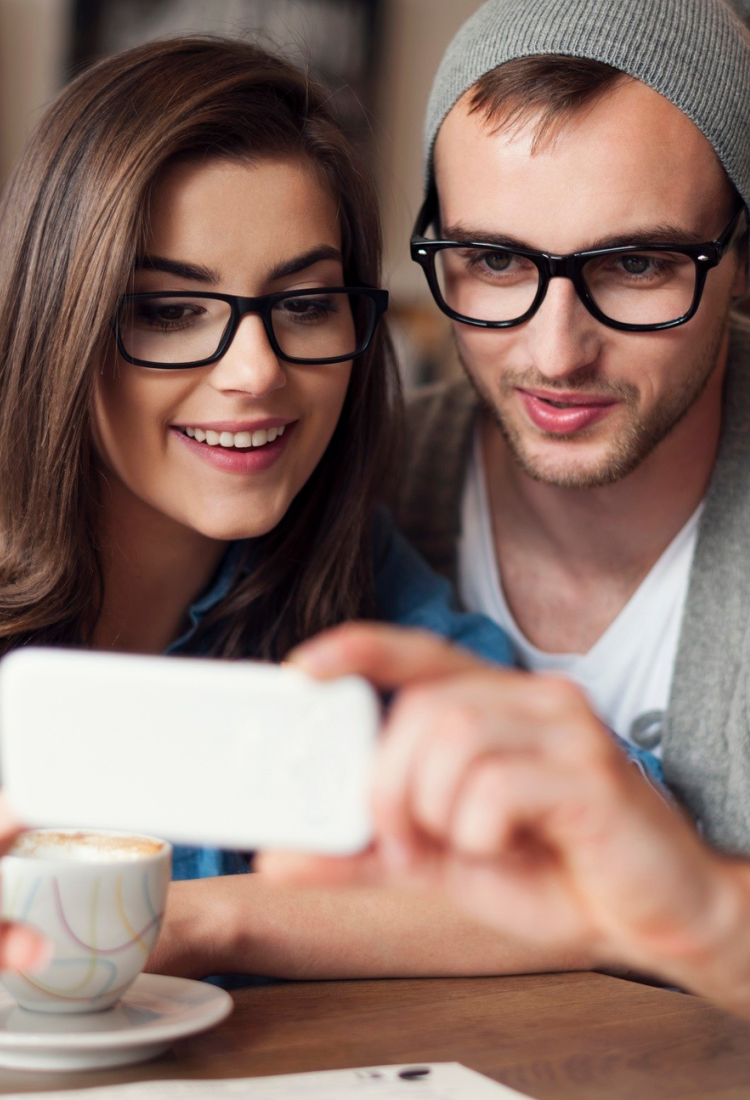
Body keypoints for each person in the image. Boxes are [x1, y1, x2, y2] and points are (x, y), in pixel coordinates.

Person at [0, 33, 562, 982]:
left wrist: (207, 922)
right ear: (63, 323)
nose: (256, 373)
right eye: (169, 312)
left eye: (305, 304)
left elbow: (588, 861)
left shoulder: (353, 588)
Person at [259, 0, 750, 1019]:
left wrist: (704, 907)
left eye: (637, 263)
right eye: (495, 262)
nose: (556, 351)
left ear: (738, 252)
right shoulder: (348, 482)